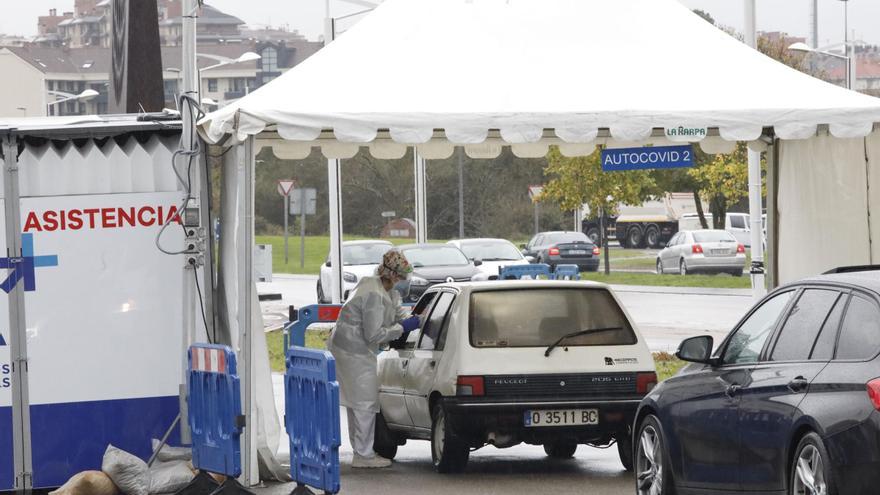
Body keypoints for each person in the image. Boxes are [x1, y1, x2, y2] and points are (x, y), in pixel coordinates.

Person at [326, 249, 421, 468]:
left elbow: (397, 310)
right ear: (394, 275)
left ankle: (361, 450)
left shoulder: (383, 288)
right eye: (404, 277)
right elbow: (374, 334)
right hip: (353, 353)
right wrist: (402, 328)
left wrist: (411, 320)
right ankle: (364, 455)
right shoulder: (374, 294)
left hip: (352, 351)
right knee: (365, 403)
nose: (406, 282)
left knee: (356, 403)